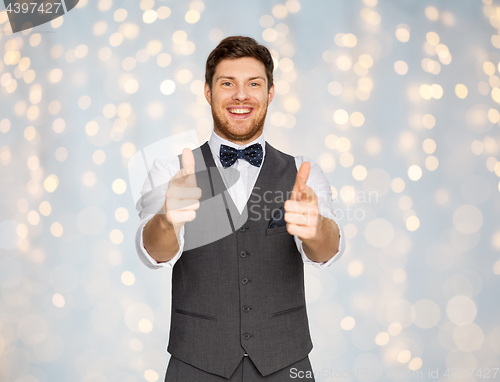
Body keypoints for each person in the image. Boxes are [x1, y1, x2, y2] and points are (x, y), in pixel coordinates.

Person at [135, 36, 345, 381]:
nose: (241, 95)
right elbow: (154, 253)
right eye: (227, 83)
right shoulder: (171, 172)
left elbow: (328, 249)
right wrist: (167, 220)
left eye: (254, 84)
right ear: (208, 92)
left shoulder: (303, 173)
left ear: (270, 93)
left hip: (286, 361)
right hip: (196, 362)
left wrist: (316, 229)